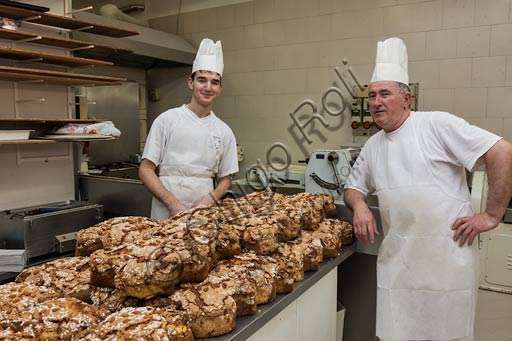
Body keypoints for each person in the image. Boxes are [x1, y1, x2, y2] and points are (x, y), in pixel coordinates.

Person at [344, 37, 512, 341]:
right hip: (399, 263)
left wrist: (491, 215)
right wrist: (359, 206)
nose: (376, 102)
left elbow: (501, 151)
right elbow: (353, 186)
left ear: (407, 98)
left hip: (446, 263)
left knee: (446, 333)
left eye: (384, 94)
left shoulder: (436, 125)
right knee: (397, 332)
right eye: (371, 96)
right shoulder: (373, 145)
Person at [139, 38, 238, 219]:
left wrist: (208, 201)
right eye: (202, 80)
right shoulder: (167, 120)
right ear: (190, 83)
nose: (208, 87)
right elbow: (145, 169)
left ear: (220, 88)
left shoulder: (224, 131)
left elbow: (226, 179)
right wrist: (172, 204)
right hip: (164, 211)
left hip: (203, 213)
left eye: (214, 82)